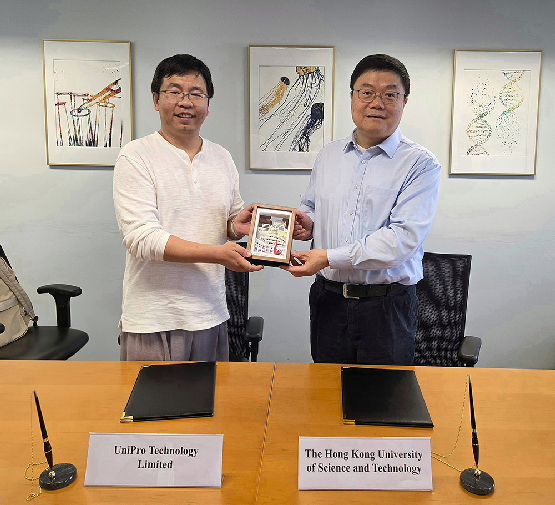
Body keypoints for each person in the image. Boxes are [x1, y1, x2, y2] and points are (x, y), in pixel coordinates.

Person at [282, 54, 440, 366]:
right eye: (366, 92)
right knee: (326, 389)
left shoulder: (420, 164)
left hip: (386, 308)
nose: (376, 103)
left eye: (390, 94)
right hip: (328, 301)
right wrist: (306, 223)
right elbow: (311, 205)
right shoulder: (329, 155)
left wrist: (328, 257)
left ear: (404, 102)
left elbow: (401, 240)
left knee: (385, 393)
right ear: (352, 97)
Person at [113, 54, 262, 362]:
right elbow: (141, 238)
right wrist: (216, 254)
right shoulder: (136, 155)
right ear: (156, 100)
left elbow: (229, 221)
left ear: (207, 105)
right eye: (174, 91)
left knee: (212, 394)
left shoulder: (222, 158)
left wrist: (237, 225)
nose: (186, 102)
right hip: (153, 317)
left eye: (196, 93)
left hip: (210, 313)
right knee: (151, 396)